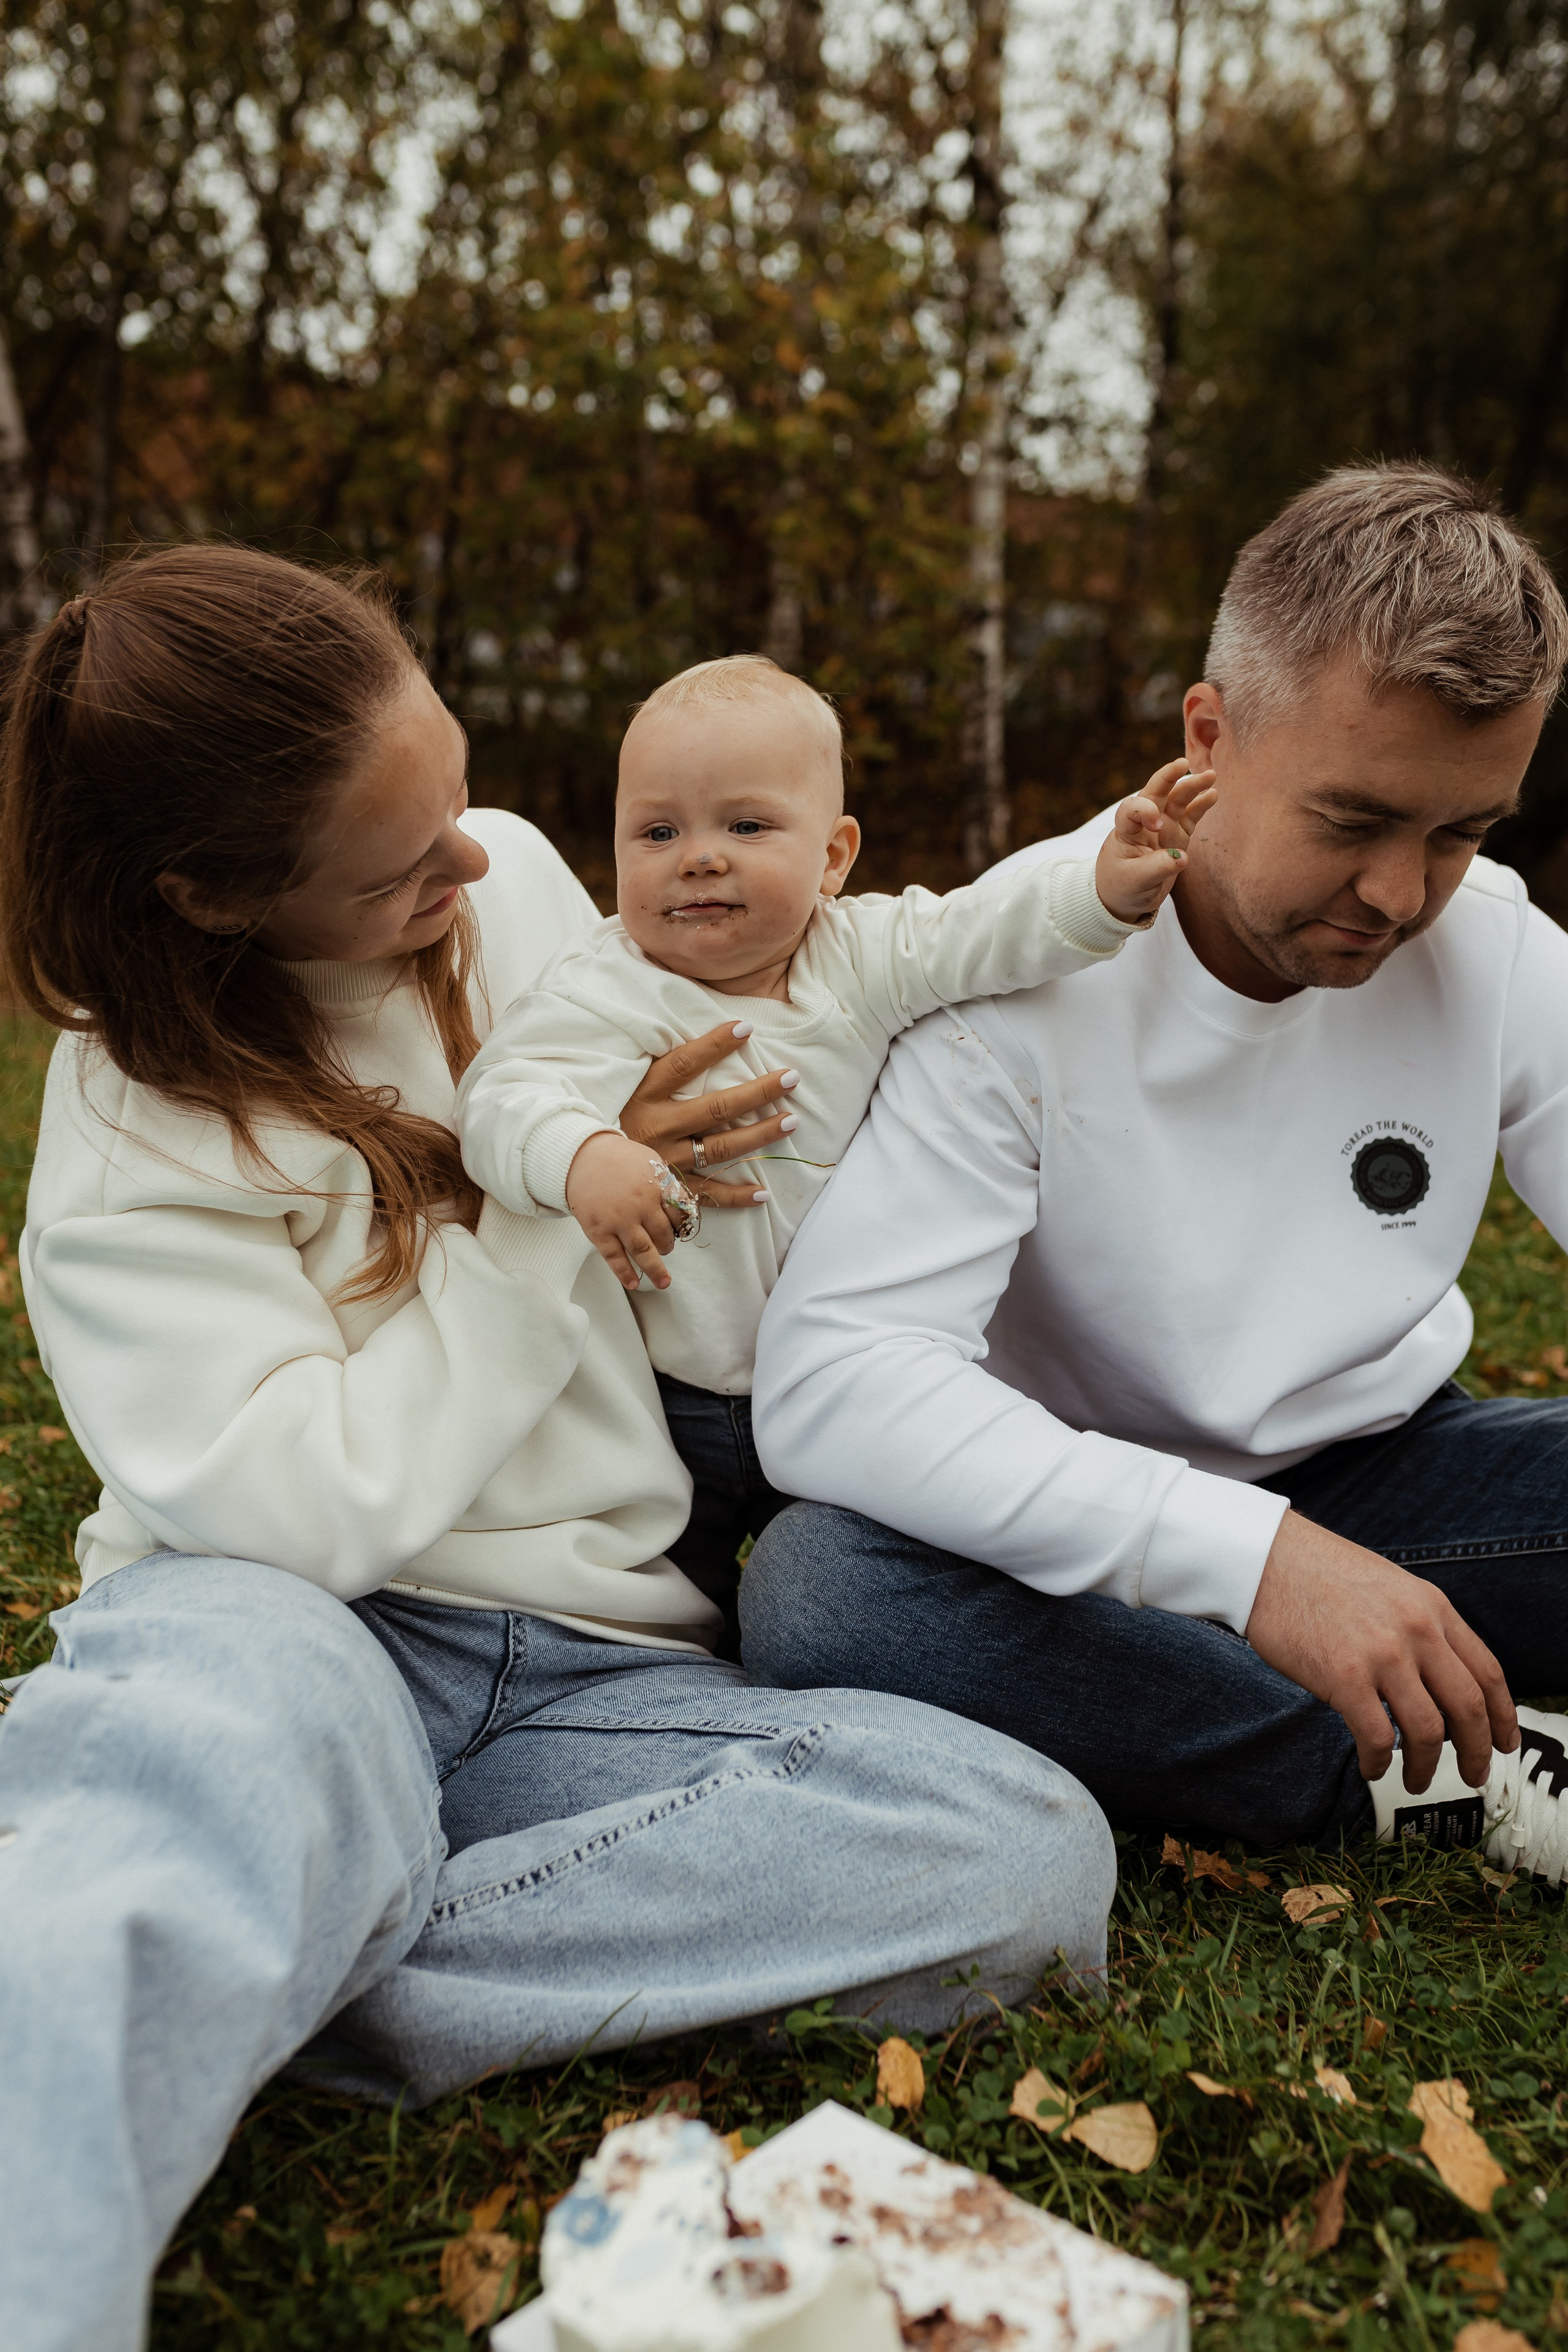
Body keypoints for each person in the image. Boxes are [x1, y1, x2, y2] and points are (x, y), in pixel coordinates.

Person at [0, 546, 1114, 2352]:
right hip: (292, 1626)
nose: (479, 861)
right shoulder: (133, 1129)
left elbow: (867, 950)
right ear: (209, 896)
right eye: (401, 862)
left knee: (1018, 1852)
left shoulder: (511, 878)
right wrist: (557, 1211)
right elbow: (305, 1508)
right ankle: (137, 2020)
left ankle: (265, 1970)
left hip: (597, 1672)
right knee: (176, 1814)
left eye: (457, 798)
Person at [741, 460, 1568, 1880]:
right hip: (1052, 1549)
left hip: (1389, 1490)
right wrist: (1252, 1564)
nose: (1397, 894)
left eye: (1458, 831)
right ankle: (1439, 1788)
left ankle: (1327, 1701)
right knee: (823, 1593)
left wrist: (1306, 1551)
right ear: (1209, 733)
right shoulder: (1017, 971)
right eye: (1352, 819)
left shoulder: (1485, 940)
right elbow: (833, 1383)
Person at [457, 652, 1215, 1651]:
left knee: (857, 1559)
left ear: (834, 855)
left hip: (842, 1379)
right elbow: (503, 1094)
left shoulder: (858, 957)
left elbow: (985, 931)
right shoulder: (604, 985)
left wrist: (1106, 893)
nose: (699, 856)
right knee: (660, 1585)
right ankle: (666, 1671)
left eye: (747, 825)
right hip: (663, 1392)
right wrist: (581, 1152)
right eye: (657, 831)